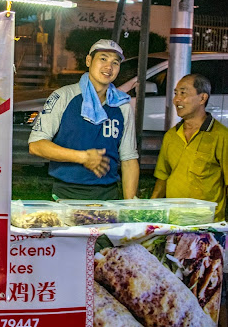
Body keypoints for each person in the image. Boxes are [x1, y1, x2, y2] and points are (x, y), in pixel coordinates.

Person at [28, 39, 139, 200]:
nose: (109, 67)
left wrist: (131, 206)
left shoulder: (122, 106)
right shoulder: (64, 97)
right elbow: (36, 145)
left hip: (109, 197)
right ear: (88, 61)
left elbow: (129, 159)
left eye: (115, 62)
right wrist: (82, 157)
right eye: (103, 59)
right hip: (65, 195)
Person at [151, 73, 228, 221]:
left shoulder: (221, 136)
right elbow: (162, 178)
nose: (176, 99)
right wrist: (150, 212)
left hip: (207, 226)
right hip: (173, 222)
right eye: (176, 93)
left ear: (202, 98)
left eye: (183, 93)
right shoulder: (171, 136)